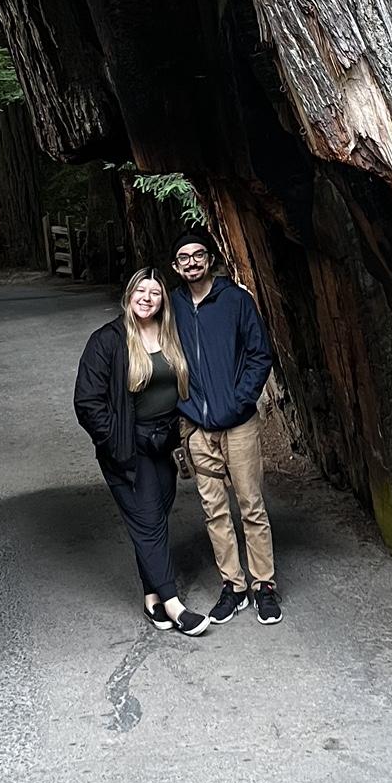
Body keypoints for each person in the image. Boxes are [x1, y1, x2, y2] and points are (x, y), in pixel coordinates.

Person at [73, 268, 210, 636]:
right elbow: (87, 402)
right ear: (129, 294)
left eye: (155, 292)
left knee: (153, 519)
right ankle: (174, 605)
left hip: (163, 442)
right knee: (149, 519)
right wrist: (118, 440)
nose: (147, 297)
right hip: (128, 447)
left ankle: (151, 599)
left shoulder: (170, 334)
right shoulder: (108, 340)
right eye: (140, 290)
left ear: (163, 299)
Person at [171, 228, 281, 625]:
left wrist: (240, 400)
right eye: (184, 258)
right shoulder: (174, 306)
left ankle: (263, 586)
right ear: (176, 266)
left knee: (251, 505)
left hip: (239, 424)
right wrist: (183, 407)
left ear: (209, 258)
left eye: (198, 255)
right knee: (214, 510)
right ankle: (233, 586)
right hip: (199, 428)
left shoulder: (235, 300)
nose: (192, 262)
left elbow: (259, 354)